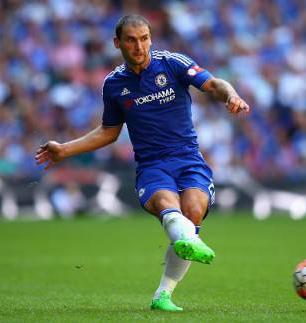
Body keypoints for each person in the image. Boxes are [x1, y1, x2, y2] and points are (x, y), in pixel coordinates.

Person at [35, 14, 250, 312]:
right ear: (117, 43)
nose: (139, 46)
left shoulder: (172, 63)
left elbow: (213, 84)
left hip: (189, 158)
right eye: (131, 40)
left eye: (144, 38)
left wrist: (232, 95)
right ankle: (189, 238)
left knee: (194, 210)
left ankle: (163, 293)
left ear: (151, 38)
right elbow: (109, 131)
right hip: (152, 165)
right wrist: (65, 150)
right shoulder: (113, 85)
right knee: (167, 204)